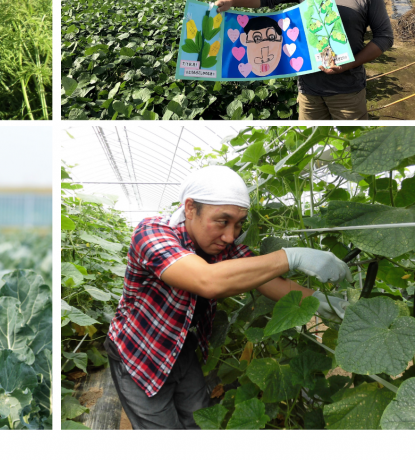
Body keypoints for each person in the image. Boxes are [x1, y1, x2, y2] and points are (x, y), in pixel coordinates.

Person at [104, 166, 350, 430]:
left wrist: (319, 301)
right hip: (139, 353)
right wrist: (291, 257)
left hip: (181, 346)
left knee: (199, 420)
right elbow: (207, 281)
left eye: (239, 223)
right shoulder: (152, 233)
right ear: (189, 208)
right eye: (222, 221)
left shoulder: (223, 245)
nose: (230, 235)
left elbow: (266, 279)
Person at [211, 0, 393, 120]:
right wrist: (232, 1)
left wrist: (348, 64)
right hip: (308, 90)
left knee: (348, 143)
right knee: (309, 143)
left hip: (348, 92)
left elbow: (384, 37)